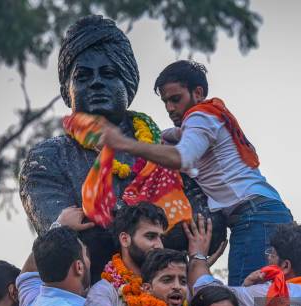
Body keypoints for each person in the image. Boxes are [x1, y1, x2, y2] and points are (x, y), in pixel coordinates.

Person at [19, 15, 223, 280]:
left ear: (129, 84)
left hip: (169, 293)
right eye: (83, 75)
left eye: (108, 73)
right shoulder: (47, 158)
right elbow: (65, 240)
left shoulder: (165, 150)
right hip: (89, 299)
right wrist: (161, 232)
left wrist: (115, 226)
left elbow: (210, 225)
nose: (96, 82)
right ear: (64, 89)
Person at [98, 60, 292, 286]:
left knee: (247, 304)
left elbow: (182, 157)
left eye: (175, 99)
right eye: (165, 102)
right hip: (267, 213)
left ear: (198, 92)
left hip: (254, 217)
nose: (170, 108)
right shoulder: (210, 115)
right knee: (270, 305)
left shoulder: (199, 117)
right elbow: (176, 135)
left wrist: (124, 143)